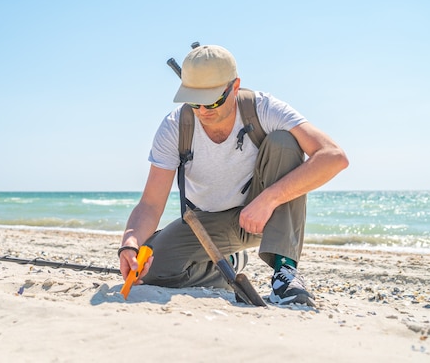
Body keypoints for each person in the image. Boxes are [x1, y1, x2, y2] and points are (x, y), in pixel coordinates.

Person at [119, 44, 348, 306]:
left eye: (213, 100)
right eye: (195, 101)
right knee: (153, 270)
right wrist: (130, 244)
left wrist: (269, 200)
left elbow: (333, 156)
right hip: (206, 224)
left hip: (265, 217)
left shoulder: (264, 108)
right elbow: (150, 203)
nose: (204, 111)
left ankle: (285, 273)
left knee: (284, 142)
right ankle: (224, 264)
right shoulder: (174, 127)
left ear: (235, 86)